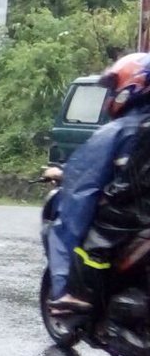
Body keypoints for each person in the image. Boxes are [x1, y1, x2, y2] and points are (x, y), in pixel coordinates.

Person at [48, 52, 150, 314]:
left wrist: (64, 174)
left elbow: (84, 177)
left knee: (83, 233)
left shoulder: (121, 129)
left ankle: (78, 294)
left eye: (115, 87)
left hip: (135, 213)